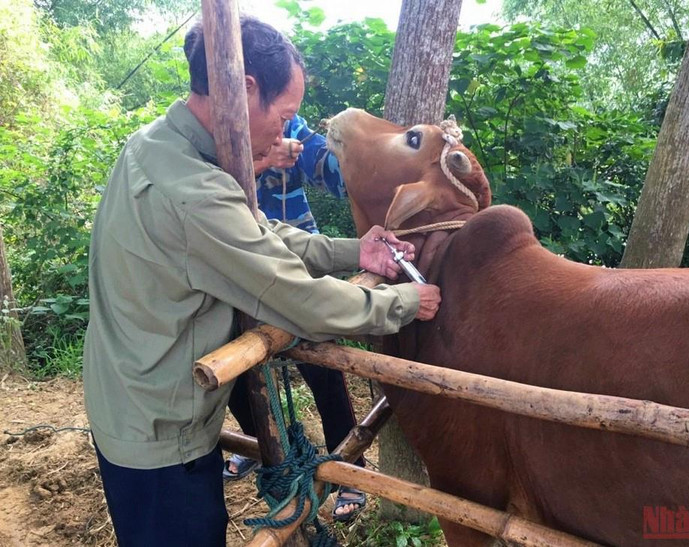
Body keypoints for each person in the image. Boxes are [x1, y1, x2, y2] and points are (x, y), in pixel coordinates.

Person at [82, 16, 441, 547]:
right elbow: (298, 298)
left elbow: (255, 232)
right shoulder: (194, 193)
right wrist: (400, 301)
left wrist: (353, 251)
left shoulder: (157, 147)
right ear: (245, 88)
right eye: (286, 114)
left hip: (130, 398)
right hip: (159, 432)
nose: (285, 132)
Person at [222, 117, 371, 522]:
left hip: (297, 262)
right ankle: (262, 448)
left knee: (324, 369)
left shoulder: (292, 127)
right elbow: (207, 193)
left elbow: (333, 175)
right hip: (235, 264)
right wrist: (257, 160)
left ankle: (349, 472)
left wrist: (350, 151)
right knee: (233, 370)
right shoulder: (211, 133)